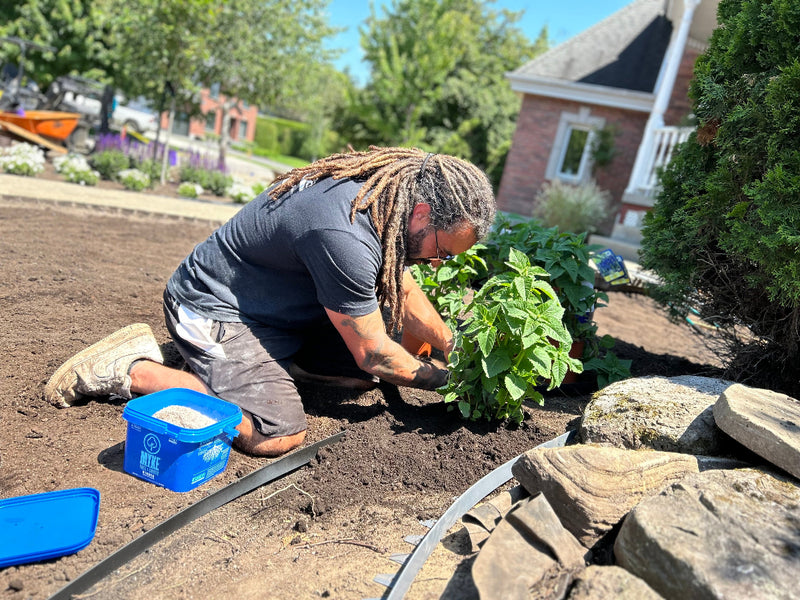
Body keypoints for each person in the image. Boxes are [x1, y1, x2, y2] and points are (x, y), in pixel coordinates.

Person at [44, 146, 496, 456]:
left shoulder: (384, 200)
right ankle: (133, 369)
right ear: (422, 213)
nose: (438, 262)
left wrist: (451, 344)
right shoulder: (344, 234)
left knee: (360, 373)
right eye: (442, 250)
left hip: (272, 311)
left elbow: (402, 286)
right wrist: (447, 380)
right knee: (275, 431)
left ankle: (236, 366)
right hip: (210, 308)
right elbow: (375, 353)